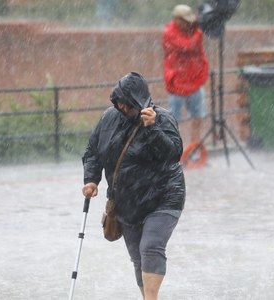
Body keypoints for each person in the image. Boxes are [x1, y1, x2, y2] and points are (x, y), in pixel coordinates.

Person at [81, 72, 185, 300]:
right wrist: (91, 179)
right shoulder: (109, 119)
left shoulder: (161, 119)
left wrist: (152, 129)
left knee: (150, 247)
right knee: (138, 257)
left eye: (128, 104)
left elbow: (173, 154)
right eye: (119, 102)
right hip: (127, 201)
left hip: (164, 196)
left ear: (140, 102)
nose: (122, 107)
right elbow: (93, 152)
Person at [162, 4, 209, 143]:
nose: (188, 23)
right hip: (177, 83)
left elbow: (200, 52)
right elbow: (186, 46)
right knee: (174, 120)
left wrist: (202, 71)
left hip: (194, 80)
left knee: (198, 116)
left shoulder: (193, 31)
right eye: (185, 21)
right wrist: (198, 32)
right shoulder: (169, 32)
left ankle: (194, 148)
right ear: (176, 19)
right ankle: (174, 150)